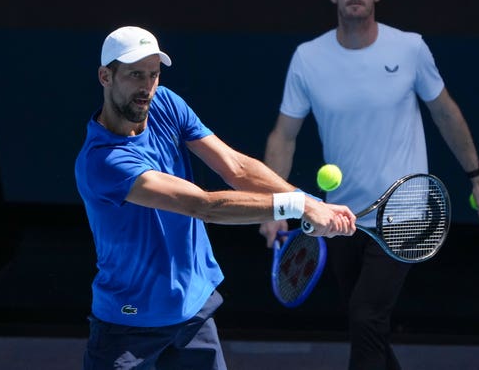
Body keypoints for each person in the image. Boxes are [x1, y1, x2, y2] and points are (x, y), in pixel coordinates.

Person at [259, 0, 479, 370]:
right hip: (339, 216)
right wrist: (273, 205)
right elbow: (284, 136)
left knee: (365, 315)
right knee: (366, 326)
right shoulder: (308, 58)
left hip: (404, 213)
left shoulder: (409, 49)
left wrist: (477, 177)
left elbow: (445, 112)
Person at [74, 25, 357, 370]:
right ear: (106, 76)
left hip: (194, 314)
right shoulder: (103, 161)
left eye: (153, 74)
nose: (147, 87)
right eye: (135, 75)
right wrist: (300, 206)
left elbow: (235, 167)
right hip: (128, 326)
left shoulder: (165, 104)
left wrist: (308, 200)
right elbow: (202, 206)